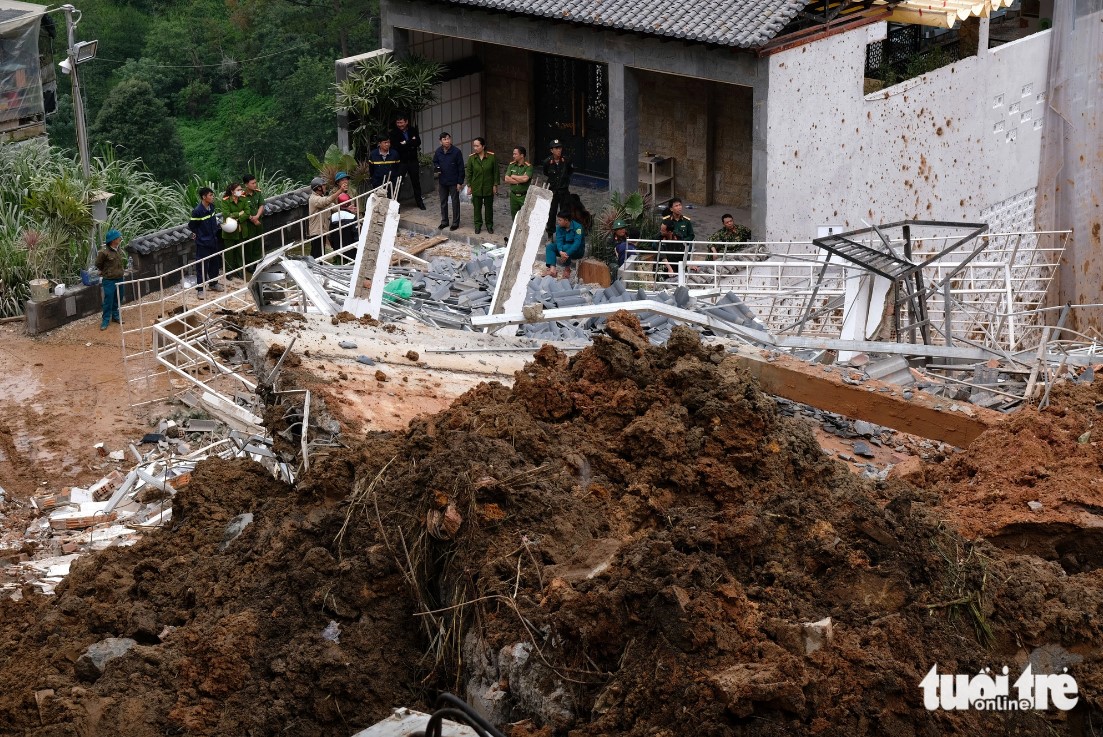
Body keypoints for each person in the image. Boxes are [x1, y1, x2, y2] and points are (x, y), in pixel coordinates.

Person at [188, 187, 224, 297]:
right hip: (203, 242)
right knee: (202, 265)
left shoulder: (212, 207)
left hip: (213, 240)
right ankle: (200, 289)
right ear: (204, 197)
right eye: (210, 195)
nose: (213, 197)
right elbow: (192, 225)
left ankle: (213, 283)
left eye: (212, 195)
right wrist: (199, 234)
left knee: (215, 263)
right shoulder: (197, 211)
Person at [390, 113, 426, 209]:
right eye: (398, 123)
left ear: (406, 122)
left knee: (416, 182)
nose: (400, 125)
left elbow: (417, 142)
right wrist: (410, 143)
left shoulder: (412, 130)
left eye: (401, 122)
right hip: (402, 162)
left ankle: (419, 202)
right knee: (398, 183)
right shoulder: (394, 133)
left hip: (413, 160)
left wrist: (406, 143)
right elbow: (396, 147)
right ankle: (395, 205)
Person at [465, 137, 499, 235]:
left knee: (489, 208)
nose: (475, 148)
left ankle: (489, 225)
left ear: (483, 146)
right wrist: (469, 186)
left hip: (488, 186)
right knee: (477, 208)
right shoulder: (472, 158)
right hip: (476, 186)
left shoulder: (491, 157)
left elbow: (495, 172)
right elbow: (469, 173)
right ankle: (478, 225)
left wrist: (495, 185)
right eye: (474, 146)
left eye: (477, 146)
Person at [432, 132, 465, 231]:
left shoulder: (456, 152)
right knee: (443, 202)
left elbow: (461, 168)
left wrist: (460, 182)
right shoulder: (438, 152)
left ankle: (455, 222)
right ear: (440, 141)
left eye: (448, 139)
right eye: (444, 139)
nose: (447, 141)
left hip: (453, 181)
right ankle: (444, 221)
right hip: (442, 181)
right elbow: (435, 161)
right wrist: (437, 167)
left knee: (455, 202)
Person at [95, 229, 125, 330]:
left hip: (120, 278)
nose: (120, 239)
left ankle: (115, 316)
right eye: (118, 238)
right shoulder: (104, 252)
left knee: (118, 298)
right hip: (109, 280)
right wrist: (103, 271)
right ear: (113, 240)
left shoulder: (118, 249)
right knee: (108, 300)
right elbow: (98, 264)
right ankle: (105, 320)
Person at [542, 139, 574, 235]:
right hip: (552, 191)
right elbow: (546, 173)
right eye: (556, 148)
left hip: (563, 191)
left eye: (560, 148)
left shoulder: (566, 160)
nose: (559, 150)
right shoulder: (547, 162)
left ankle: (565, 233)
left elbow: (570, 172)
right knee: (551, 213)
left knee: (565, 213)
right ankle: (550, 234)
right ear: (552, 150)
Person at [544, 210, 585, 279]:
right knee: (550, 246)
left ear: (566, 220)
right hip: (563, 250)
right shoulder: (559, 227)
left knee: (566, 247)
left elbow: (577, 243)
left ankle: (567, 269)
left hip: (577, 251)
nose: (558, 222)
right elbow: (559, 241)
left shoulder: (578, 227)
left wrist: (566, 254)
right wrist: (560, 251)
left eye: (560, 220)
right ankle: (552, 270)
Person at [307, 177, 341, 259]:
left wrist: (346, 208)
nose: (325, 187)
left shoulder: (321, 197)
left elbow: (333, 207)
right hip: (317, 231)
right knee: (317, 254)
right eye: (324, 185)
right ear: (319, 188)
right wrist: (340, 191)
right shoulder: (314, 199)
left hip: (322, 230)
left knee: (320, 254)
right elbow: (325, 202)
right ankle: (315, 270)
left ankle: (316, 269)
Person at [220, 182, 249, 277]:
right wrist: (239, 213)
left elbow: (247, 212)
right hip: (229, 231)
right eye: (238, 190)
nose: (241, 191)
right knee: (229, 253)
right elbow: (226, 214)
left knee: (240, 252)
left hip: (241, 230)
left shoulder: (243, 199)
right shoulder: (225, 201)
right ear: (232, 191)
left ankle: (240, 271)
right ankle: (229, 272)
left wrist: (238, 218)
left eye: (241, 189)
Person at [329, 171, 359, 259]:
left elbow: (357, 204)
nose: (345, 181)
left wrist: (356, 212)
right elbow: (331, 206)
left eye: (346, 179)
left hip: (351, 218)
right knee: (339, 239)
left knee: (352, 238)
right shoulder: (333, 193)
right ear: (338, 182)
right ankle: (339, 258)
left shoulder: (353, 191)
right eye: (342, 180)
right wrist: (344, 208)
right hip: (339, 219)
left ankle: (353, 257)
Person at [240, 174, 265, 269]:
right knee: (249, 244)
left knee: (258, 242)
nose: (255, 185)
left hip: (259, 221)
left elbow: (261, 205)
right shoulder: (242, 196)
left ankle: (258, 261)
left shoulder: (258, 193)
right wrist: (252, 219)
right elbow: (242, 210)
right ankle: (249, 265)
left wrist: (257, 216)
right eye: (252, 183)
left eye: (255, 182)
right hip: (248, 224)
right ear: (246, 184)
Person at [504, 146, 532, 221]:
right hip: (513, 196)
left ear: (522, 155)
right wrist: (520, 179)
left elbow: (525, 179)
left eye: (515, 154)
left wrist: (513, 176)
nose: (513, 156)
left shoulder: (528, 167)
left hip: (524, 196)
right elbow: (506, 179)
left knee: (525, 218)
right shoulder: (511, 165)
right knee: (514, 218)